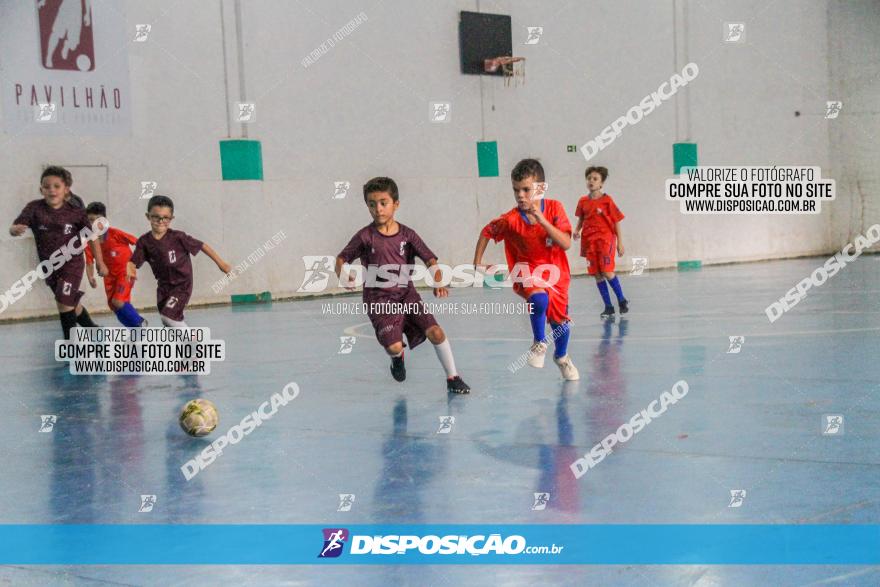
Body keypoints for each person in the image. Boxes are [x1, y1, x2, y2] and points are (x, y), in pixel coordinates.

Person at [336, 177, 470, 394]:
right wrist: (343, 274)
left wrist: (438, 281)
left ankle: (453, 378)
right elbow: (341, 259)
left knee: (436, 332)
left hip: (407, 295)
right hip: (379, 300)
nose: (377, 209)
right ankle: (397, 358)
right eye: (372, 204)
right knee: (393, 346)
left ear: (396, 204)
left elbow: (430, 260)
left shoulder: (407, 235)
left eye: (383, 202)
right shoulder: (365, 237)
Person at [473, 158, 579, 380]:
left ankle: (561, 357)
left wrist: (541, 220)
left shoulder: (554, 208)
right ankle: (539, 342)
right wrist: (477, 261)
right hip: (526, 270)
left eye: (525, 189)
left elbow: (566, 243)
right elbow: (486, 231)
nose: (520, 195)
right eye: (516, 190)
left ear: (540, 188)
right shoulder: (511, 220)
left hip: (556, 274)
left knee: (560, 324)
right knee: (539, 299)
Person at [9, 166, 107, 339]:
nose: (51, 190)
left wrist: (100, 262)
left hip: (72, 265)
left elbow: (92, 237)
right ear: (41, 189)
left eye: (56, 186)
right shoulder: (34, 209)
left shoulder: (76, 213)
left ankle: (70, 346)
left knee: (63, 302)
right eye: (47, 187)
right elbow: (15, 226)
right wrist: (14, 229)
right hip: (50, 267)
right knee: (71, 304)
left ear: (66, 189)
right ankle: (92, 329)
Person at [126, 195, 231, 328]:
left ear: (171, 219)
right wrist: (130, 267)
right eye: (156, 217)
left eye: (165, 217)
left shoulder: (178, 237)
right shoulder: (144, 241)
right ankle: (183, 345)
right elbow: (134, 260)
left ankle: (195, 342)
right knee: (168, 320)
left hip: (182, 285)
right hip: (163, 287)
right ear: (148, 216)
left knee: (168, 316)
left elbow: (202, 246)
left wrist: (222, 264)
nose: (160, 221)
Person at [573, 166, 628, 319]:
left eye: (595, 179)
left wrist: (620, 243)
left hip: (605, 239)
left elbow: (616, 221)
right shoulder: (582, 201)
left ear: (601, 183)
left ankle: (621, 300)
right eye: (589, 178)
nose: (591, 181)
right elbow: (581, 219)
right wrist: (577, 230)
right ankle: (608, 307)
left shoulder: (607, 200)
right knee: (597, 274)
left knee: (607, 271)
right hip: (590, 241)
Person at [84, 201, 146, 327]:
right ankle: (135, 329)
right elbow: (89, 262)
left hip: (125, 272)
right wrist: (90, 277)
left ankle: (141, 323)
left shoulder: (115, 234)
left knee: (118, 301)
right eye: (91, 220)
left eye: (98, 220)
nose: (95, 223)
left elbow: (139, 243)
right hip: (109, 278)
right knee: (114, 306)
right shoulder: (90, 243)